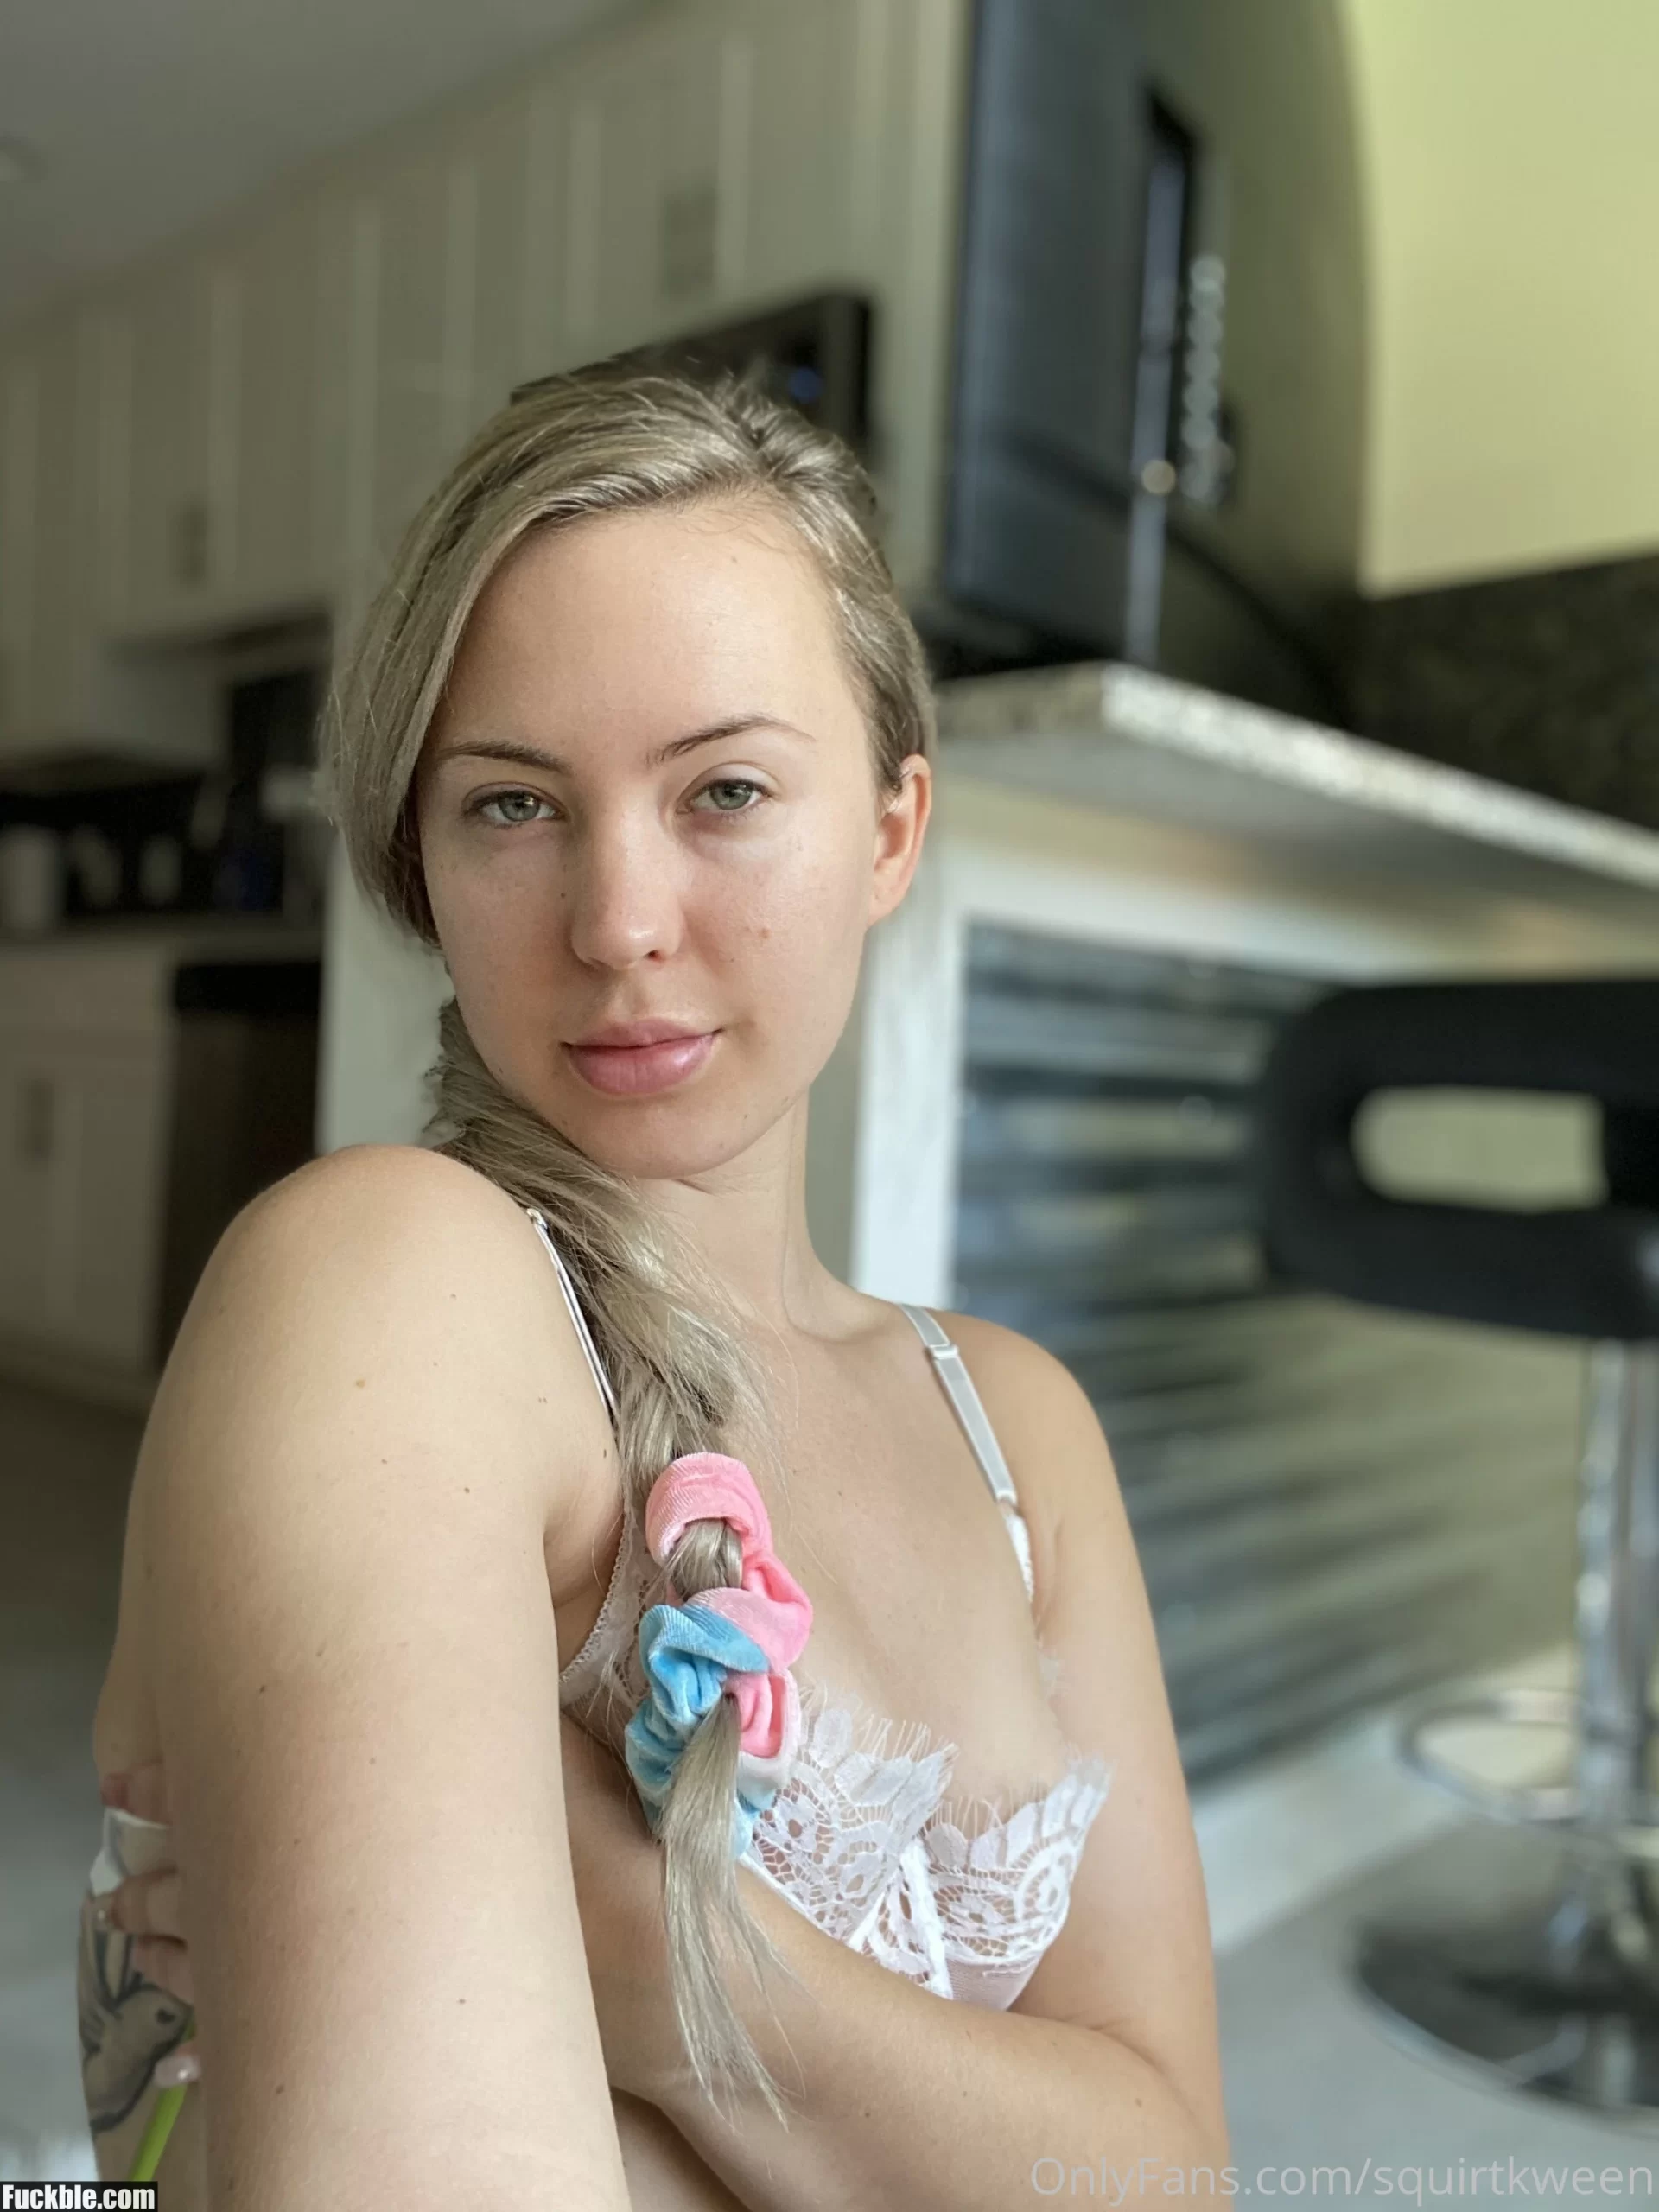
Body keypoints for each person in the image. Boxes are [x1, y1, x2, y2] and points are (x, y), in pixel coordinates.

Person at [79, 360, 1230, 2207]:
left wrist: (649, 1952)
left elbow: (1173, 2169)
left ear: (889, 832)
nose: (618, 921)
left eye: (727, 789)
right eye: (513, 806)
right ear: (421, 860)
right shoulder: (385, 1297)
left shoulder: (1021, 1432)